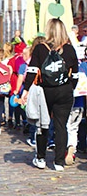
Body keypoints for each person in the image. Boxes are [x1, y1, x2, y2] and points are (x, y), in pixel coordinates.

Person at [22, 18, 79, 172]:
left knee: (43, 124)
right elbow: (75, 75)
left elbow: (32, 70)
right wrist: (68, 88)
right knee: (61, 126)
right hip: (64, 90)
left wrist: (26, 90)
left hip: (44, 90)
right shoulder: (69, 49)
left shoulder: (41, 48)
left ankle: (40, 157)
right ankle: (59, 161)